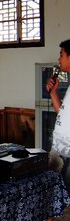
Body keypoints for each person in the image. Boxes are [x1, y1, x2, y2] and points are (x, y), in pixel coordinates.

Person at [46, 39, 70, 191]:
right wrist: (53, 93)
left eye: (61, 54)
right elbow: (63, 115)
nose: (59, 59)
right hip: (60, 151)